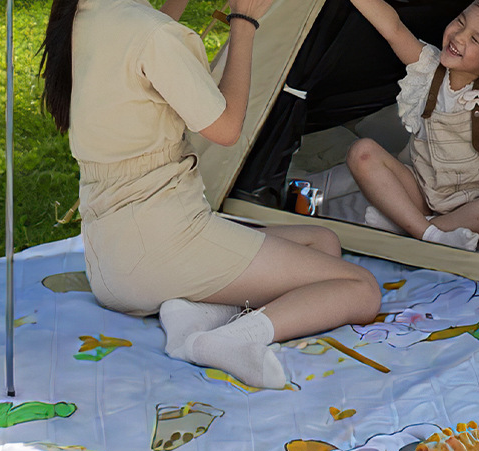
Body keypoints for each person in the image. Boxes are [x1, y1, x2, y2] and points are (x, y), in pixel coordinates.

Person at [39, 0, 383, 390]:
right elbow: (226, 128)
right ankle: (233, 339)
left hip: (110, 260)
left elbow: (144, 46)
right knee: (362, 289)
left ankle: (191, 315)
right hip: (162, 247)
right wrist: (244, 21)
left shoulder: (88, 14)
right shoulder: (154, 36)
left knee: (322, 242)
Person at [344, 0, 479, 251]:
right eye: (460, 22)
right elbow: (393, 29)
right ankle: (427, 230)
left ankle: (413, 226)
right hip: (424, 193)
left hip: (475, 205)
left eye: (475, 39)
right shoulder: (428, 69)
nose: (459, 36)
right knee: (362, 152)